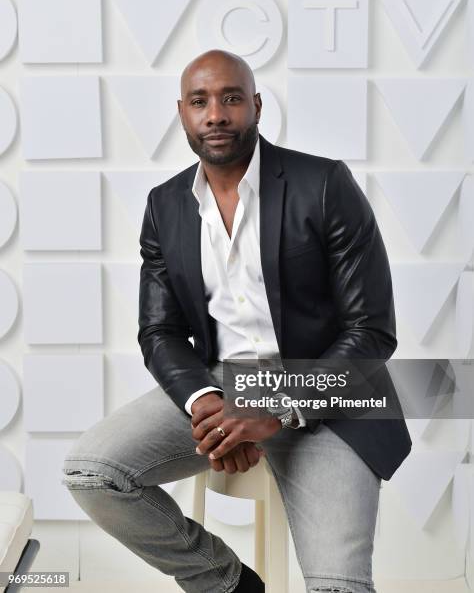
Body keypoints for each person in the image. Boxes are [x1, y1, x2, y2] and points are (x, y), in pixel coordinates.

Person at [62, 49, 412, 593]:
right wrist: (207, 403)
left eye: (230, 99)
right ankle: (226, 584)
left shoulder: (322, 185)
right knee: (92, 472)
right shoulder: (165, 205)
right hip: (222, 385)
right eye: (200, 101)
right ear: (182, 113)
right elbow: (160, 332)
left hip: (330, 395)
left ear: (256, 107)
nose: (216, 115)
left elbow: (371, 332)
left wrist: (270, 408)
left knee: (339, 588)